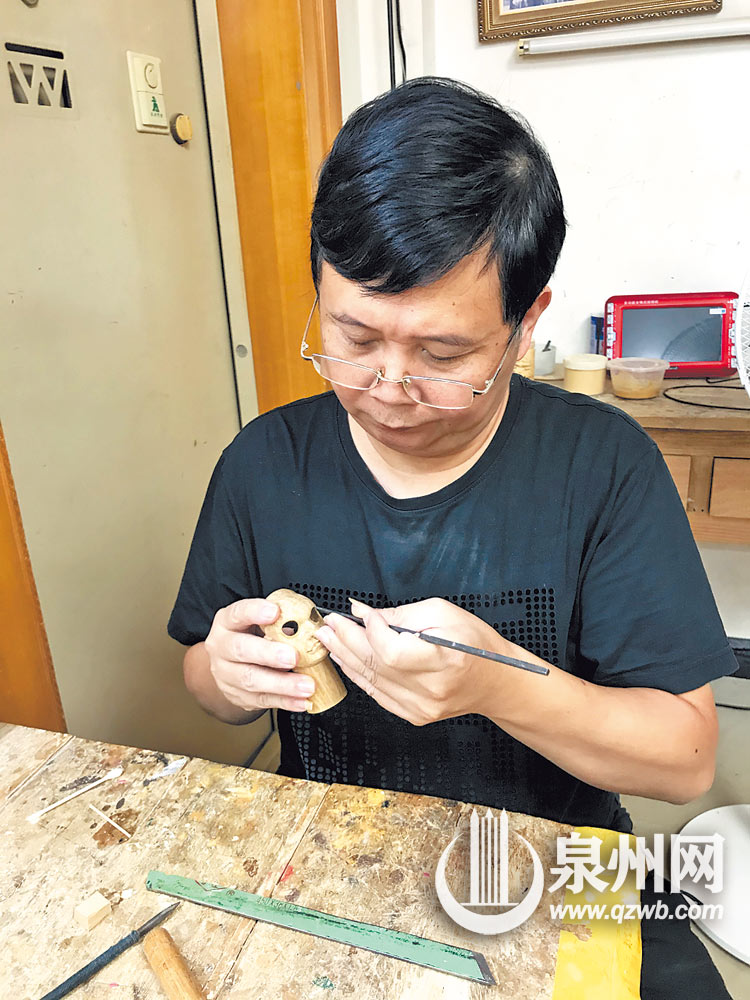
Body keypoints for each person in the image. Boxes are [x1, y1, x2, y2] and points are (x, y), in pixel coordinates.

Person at [168, 77, 736, 997]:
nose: (388, 387)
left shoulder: (601, 465)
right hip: (335, 861)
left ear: (526, 323)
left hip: (553, 866)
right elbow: (203, 679)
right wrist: (226, 677)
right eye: (354, 336)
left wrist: (494, 684)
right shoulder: (263, 464)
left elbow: (687, 760)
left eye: (442, 355)